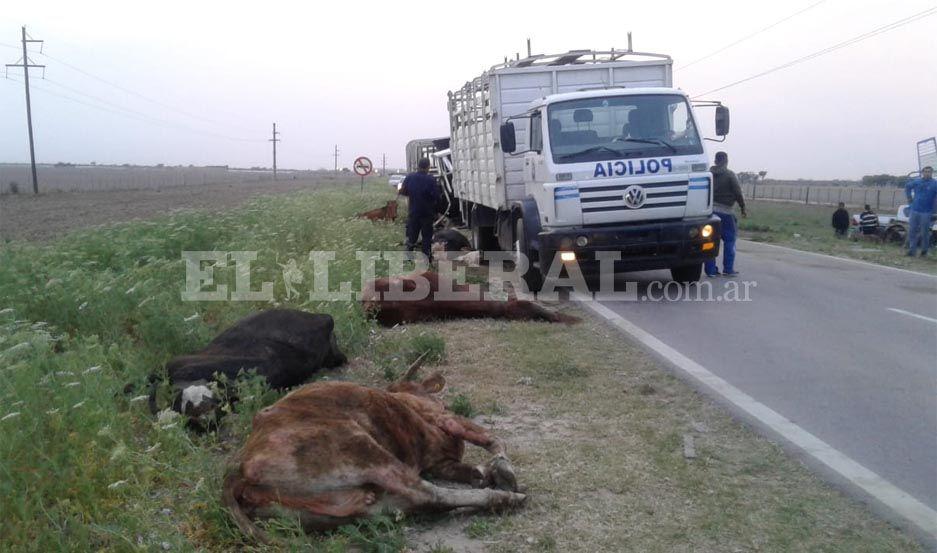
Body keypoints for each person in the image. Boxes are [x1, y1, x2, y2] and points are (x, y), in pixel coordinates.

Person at [704, 151, 746, 277]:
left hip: (709, 212)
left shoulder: (708, 174)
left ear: (716, 161)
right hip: (726, 212)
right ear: (726, 161)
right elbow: (738, 193)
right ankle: (728, 269)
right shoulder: (729, 175)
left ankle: (710, 271)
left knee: (710, 241)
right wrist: (743, 207)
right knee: (729, 241)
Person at [399, 158, 440, 259]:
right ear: (428, 167)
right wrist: (436, 210)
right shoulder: (431, 179)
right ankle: (426, 259)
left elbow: (403, 191)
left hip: (413, 213)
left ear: (418, 166)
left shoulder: (410, 177)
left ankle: (408, 259)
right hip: (427, 214)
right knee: (426, 238)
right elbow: (436, 196)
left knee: (412, 237)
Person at [904, 166, 937, 257]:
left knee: (924, 232)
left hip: (926, 212)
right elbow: (907, 187)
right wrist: (909, 198)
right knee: (912, 231)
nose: (927, 173)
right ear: (922, 172)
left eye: (929, 172)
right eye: (925, 171)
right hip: (914, 210)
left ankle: (924, 251)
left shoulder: (935, 184)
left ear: (932, 173)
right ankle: (912, 251)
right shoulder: (917, 181)